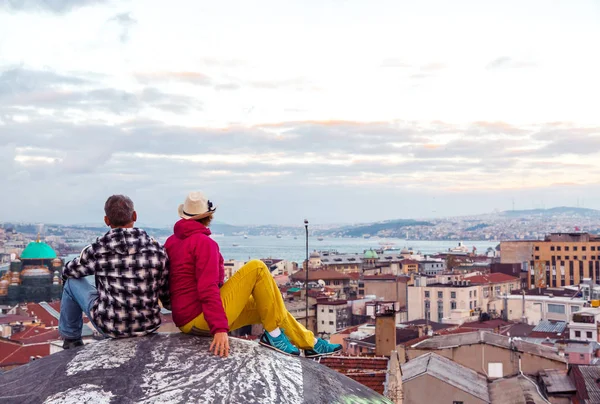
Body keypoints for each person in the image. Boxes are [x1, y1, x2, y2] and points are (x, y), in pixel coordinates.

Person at [165, 191, 342, 358]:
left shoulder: (171, 242)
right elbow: (208, 288)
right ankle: (274, 336)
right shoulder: (204, 243)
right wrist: (219, 329)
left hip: (185, 321)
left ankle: (310, 344)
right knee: (257, 267)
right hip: (200, 318)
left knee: (268, 304)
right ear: (208, 216)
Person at [59, 195, 170, 348]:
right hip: (148, 325)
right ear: (134, 216)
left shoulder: (99, 249)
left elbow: (68, 271)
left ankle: (71, 339)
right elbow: (164, 293)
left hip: (111, 327)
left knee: (71, 282)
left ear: (107, 220)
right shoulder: (156, 249)